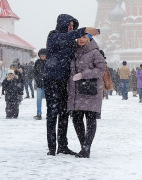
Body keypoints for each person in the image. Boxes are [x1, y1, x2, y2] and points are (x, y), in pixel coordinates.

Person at [43, 14, 99, 156]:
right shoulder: (54, 36)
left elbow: (83, 48)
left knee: (64, 113)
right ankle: (51, 147)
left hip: (65, 81)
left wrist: (91, 42)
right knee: (52, 113)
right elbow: (65, 38)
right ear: (62, 24)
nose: (71, 28)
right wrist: (84, 29)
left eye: (73, 26)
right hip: (52, 80)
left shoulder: (70, 41)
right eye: (69, 25)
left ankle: (62, 145)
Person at [67, 34, 106, 158]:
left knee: (90, 119)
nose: (81, 39)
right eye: (79, 37)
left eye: (84, 37)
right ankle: (83, 146)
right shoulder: (74, 52)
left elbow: (101, 69)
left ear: (89, 39)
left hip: (91, 90)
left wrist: (84, 74)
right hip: (76, 91)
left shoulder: (95, 53)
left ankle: (86, 148)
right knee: (77, 119)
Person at [33, 48, 47, 120]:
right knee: (39, 100)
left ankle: (49, 114)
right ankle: (39, 114)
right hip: (39, 85)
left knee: (49, 100)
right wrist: (37, 81)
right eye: (41, 56)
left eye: (44, 56)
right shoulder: (37, 62)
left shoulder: (49, 62)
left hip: (48, 85)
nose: (43, 57)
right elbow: (35, 73)